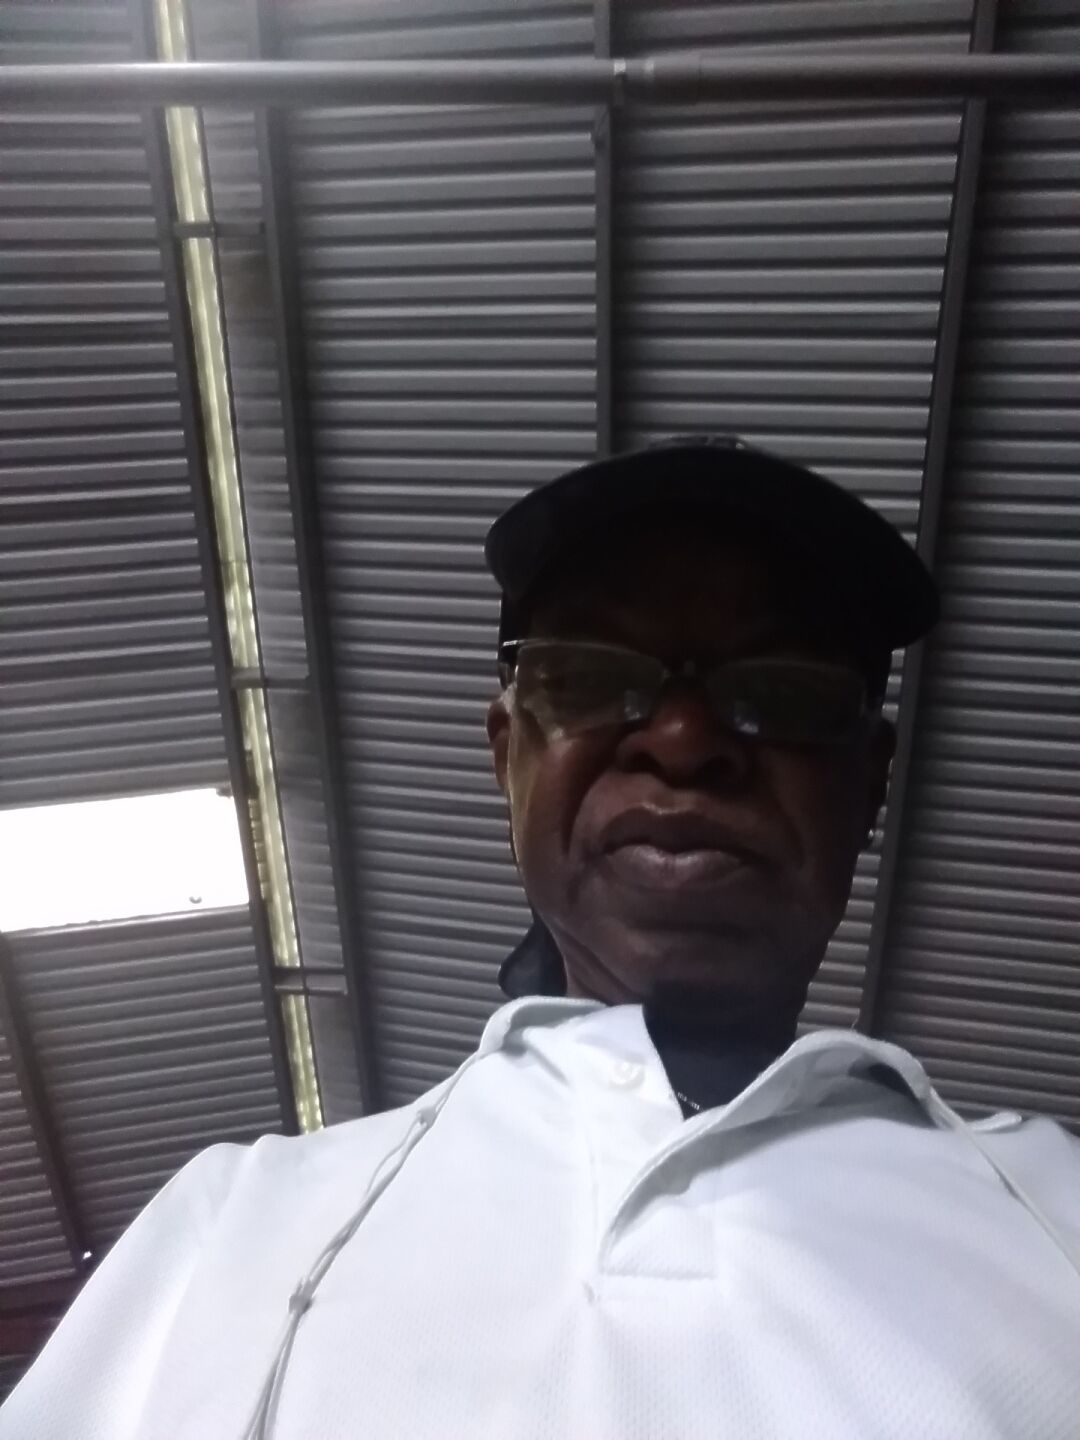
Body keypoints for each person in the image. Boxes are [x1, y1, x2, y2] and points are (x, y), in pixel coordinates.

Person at [3, 437, 1078, 1439]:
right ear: (505, 753)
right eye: (591, 680)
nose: (683, 739)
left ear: (870, 782)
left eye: (785, 691)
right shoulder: (241, 1219)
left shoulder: (1052, 1197)